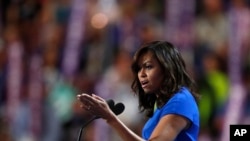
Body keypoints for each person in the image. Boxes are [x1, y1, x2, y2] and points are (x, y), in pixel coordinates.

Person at [77, 41, 200, 141]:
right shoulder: (162, 103)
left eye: (148, 66)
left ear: (167, 68)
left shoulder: (180, 100)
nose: (141, 74)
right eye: (138, 68)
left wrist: (111, 118)